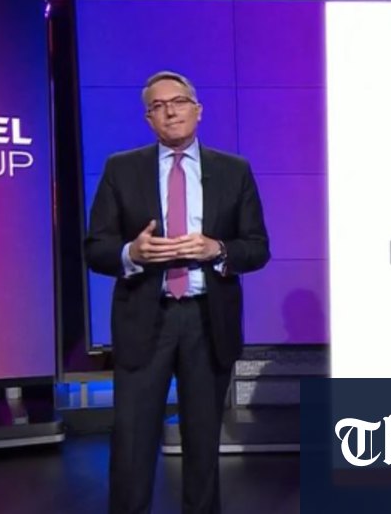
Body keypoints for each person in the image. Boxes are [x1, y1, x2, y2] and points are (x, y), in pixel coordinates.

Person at [85, 70, 270, 513]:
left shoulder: (234, 170)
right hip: (144, 318)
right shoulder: (121, 168)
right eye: (158, 105)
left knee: (203, 442)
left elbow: (257, 247)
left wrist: (217, 249)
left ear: (198, 110)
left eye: (179, 101)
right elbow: (96, 248)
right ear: (148, 119)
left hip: (208, 320)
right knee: (132, 442)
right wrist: (132, 252)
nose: (170, 111)